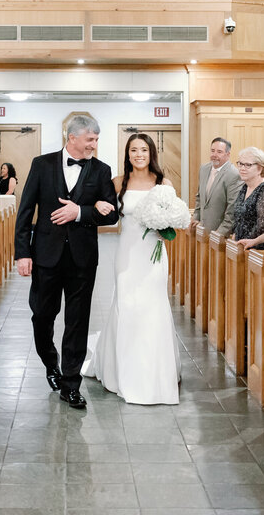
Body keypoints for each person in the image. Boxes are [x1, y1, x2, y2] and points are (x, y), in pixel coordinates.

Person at [14, 115, 119, 409]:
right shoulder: (41, 164)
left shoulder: (101, 170)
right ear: (71, 137)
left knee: (77, 321)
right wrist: (23, 253)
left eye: (96, 140)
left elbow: (112, 214)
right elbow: (25, 211)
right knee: (42, 316)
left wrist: (82, 212)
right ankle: (51, 364)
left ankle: (71, 383)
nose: (94, 145)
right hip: (46, 254)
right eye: (90, 140)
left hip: (83, 258)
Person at [83, 133, 180, 405]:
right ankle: (120, 371)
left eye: (144, 150)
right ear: (127, 154)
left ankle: (154, 372)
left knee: (153, 306)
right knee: (126, 303)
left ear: (151, 154)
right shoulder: (117, 183)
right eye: (134, 150)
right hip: (127, 252)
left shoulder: (163, 183)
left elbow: (173, 217)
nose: (139, 155)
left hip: (153, 253)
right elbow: (103, 210)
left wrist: (166, 227)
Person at [217, 146, 264, 251]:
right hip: (241, 247)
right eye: (240, 164)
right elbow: (238, 217)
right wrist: (235, 237)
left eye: (248, 165)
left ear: (260, 168)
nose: (242, 168)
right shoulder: (244, 187)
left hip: (257, 251)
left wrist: (245, 242)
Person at [191, 137, 242, 237]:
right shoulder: (204, 169)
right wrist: (196, 218)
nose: (214, 155)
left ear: (228, 154)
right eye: (212, 151)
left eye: (219, 152)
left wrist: (218, 234)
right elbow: (199, 198)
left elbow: (232, 211)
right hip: (201, 231)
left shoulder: (234, 175)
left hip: (220, 235)